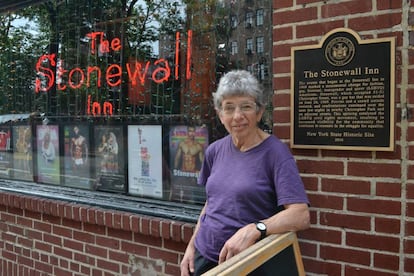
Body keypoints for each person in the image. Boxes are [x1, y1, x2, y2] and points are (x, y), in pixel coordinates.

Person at [180, 70, 310, 276]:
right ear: (220, 114)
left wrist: (255, 229)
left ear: (259, 112)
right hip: (204, 258)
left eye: (246, 106)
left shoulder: (275, 153)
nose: (237, 116)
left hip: (247, 264)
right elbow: (211, 202)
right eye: (229, 108)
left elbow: (300, 215)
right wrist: (192, 246)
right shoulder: (215, 150)